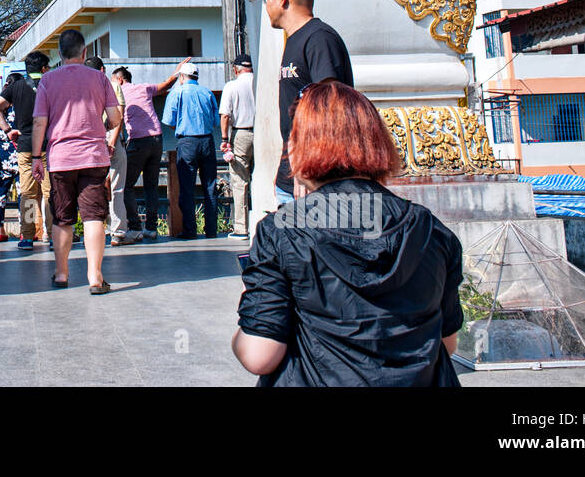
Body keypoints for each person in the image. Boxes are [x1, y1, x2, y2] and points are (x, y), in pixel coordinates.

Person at [233, 81, 464, 386]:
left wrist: (243, 328)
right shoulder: (429, 229)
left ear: (301, 147)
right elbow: (446, 343)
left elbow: (260, 354)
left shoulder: (281, 232)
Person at [32, 30, 121, 293]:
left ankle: (61, 274)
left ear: (59, 54)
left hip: (60, 159)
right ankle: (95, 277)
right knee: (94, 217)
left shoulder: (47, 80)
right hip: (94, 156)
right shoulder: (100, 78)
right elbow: (115, 118)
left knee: (63, 218)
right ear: (85, 53)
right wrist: (100, 124)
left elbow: (39, 122)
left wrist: (37, 156)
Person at [266, 0, 353, 205]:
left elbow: (330, 106)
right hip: (291, 176)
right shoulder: (295, 39)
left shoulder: (319, 38)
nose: (266, 6)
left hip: (315, 178)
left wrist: (308, 168)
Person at [111, 60, 187, 243]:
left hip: (138, 140)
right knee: (151, 186)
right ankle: (151, 228)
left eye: (112, 80)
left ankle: (135, 227)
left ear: (120, 80)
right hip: (156, 138)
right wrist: (176, 72)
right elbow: (166, 85)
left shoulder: (118, 92)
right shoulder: (144, 88)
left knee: (126, 184)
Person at [0, 52, 51, 250]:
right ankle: (51, 235)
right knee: (50, 193)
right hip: (50, 146)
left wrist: (8, 130)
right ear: (43, 68)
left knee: (28, 194)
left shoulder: (16, 86)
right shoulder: (51, 85)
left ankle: (27, 237)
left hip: (24, 147)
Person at [162, 61, 221, 239]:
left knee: (187, 188)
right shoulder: (207, 93)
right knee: (210, 186)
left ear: (181, 77)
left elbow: (170, 121)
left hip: (187, 142)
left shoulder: (176, 93)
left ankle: (190, 230)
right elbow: (214, 121)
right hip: (207, 141)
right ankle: (211, 230)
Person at [86, 56, 129, 246]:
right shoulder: (113, 85)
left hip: (90, 142)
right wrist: (112, 141)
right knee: (117, 186)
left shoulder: (82, 88)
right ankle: (117, 232)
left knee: (92, 188)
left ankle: (96, 229)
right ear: (102, 69)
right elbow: (118, 116)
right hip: (111, 139)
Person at [219, 54, 256, 240]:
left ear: (235, 69)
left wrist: (225, 138)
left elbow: (225, 115)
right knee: (262, 176)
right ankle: (262, 221)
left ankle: (242, 228)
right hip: (262, 131)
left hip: (241, 133)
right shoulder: (259, 82)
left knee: (240, 181)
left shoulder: (232, 86)